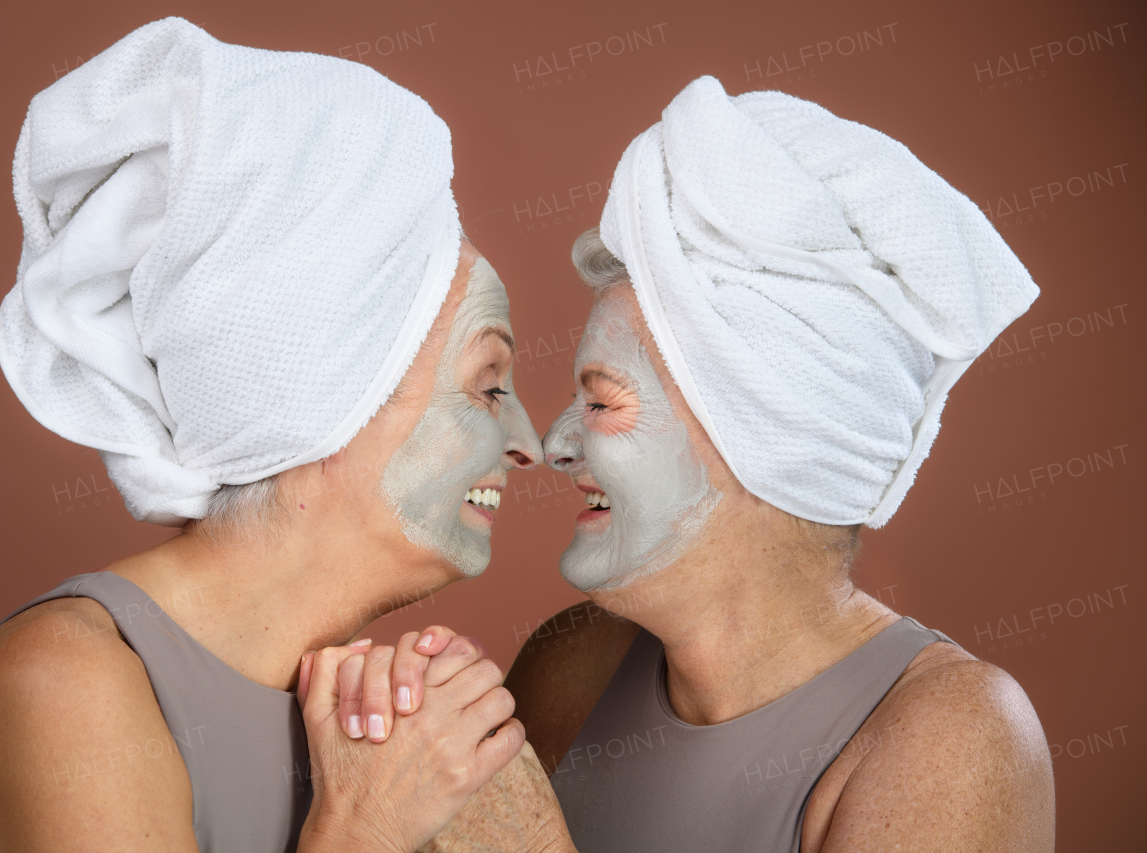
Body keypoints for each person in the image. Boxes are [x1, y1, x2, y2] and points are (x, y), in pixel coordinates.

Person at [0, 18, 542, 853]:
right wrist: (367, 833)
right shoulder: (67, 690)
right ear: (325, 392)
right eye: (487, 385)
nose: (529, 440)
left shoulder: (358, 730)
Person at [347, 76, 1057, 852]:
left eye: (604, 401)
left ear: (760, 435)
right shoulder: (574, 663)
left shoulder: (954, 736)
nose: (554, 443)